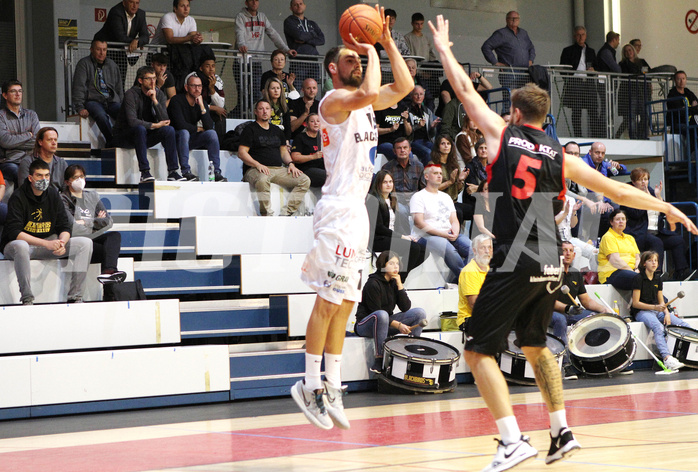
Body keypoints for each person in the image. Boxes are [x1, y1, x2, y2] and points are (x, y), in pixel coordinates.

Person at [430, 14, 697, 470]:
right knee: (535, 346)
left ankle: (512, 440)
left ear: (515, 114)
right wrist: (667, 207)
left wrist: (442, 49)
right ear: (543, 117)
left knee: (476, 351)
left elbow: (465, 91)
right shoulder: (561, 154)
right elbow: (617, 191)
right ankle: (561, 431)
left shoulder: (502, 135)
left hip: (517, 256)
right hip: (554, 260)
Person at [292, 6, 413, 431]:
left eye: (359, 58)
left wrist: (385, 40)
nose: (357, 61)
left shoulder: (365, 101)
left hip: (358, 211)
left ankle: (334, 384)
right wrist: (370, 44)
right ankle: (308, 384)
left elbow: (407, 85)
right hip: (337, 208)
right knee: (327, 302)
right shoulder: (334, 101)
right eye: (349, 57)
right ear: (332, 67)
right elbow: (367, 91)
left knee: (345, 304)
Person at [1, 160, 93, 305]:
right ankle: (27, 298)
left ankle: (75, 296)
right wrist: (47, 243)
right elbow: (14, 232)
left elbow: (65, 226)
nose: (43, 179)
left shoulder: (53, 195)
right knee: (21, 245)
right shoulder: (18, 196)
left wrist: (62, 242)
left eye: (47, 175)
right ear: (30, 178)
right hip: (21, 247)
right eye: (39, 176)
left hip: (48, 244)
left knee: (85, 243)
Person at [354, 250, 427, 373]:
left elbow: (405, 307)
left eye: (397, 264)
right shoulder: (373, 283)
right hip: (365, 325)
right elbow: (376, 311)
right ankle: (379, 359)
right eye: (392, 263)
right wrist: (398, 325)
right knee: (382, 314)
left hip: (385, 323)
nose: (396, 267)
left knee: (419, 313)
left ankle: (414, 356)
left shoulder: (393, 282)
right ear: (383, 265)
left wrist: (399, 284)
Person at [238, 99, 310, 216]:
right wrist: (257, 164)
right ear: (256, 112)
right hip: (254, 169)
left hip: (277, 169)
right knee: (262, 179)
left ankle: (286, 213)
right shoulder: (250, 129)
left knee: (304, 180)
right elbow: (242, 153)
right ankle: (266, 214)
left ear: (271, 111)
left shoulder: (277, 130)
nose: (264, 112)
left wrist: (291, 164)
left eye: (267, 109)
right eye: (261, 109)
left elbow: (283, 152)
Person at [112, 66, 181, 183]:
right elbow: (132, 122)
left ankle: (173, 171)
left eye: (154, 78)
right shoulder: (131, 94)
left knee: (169, 131)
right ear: (140, 81)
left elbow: (165, 120)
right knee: (140, 129)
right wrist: (155, 125)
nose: (153, 81)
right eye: (149, 79)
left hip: (145, 136)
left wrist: (154, 100)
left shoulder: (159, 94)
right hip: (125, 136)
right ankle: (145, 172)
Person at [549, 241, 607, 380]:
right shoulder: (550, 272)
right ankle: (566, 364)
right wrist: (567, 308)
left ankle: (591, 360)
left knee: (596, 317)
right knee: (560, 319)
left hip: (572, 312)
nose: (568, 253)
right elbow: (548, 300)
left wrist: (603, 309)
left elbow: (586, 301)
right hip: (550, 312)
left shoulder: (575, 274)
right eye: (564, 250)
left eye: (570, 250)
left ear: (574, 254)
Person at [61, 164, 126, 284]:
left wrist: (85, 222)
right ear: (67, 182)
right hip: (76, 242)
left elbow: (108, 221)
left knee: (114, 236)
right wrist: (96, 221)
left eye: (82, 176)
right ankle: (110, 279)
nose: (80, 180)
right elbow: (73, 227)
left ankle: (109, 272)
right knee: (108, 251)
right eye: (75, 178)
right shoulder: (63, 199)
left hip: (92, 238)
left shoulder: (92, 196)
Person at [621, 168, 689, 280]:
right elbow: (636, 214)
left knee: (678, 240)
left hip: (657, 232)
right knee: (656, 242)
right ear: (633, 182)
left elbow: (664, 212)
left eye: (646, 179)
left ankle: (681, 272)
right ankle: (657, 273)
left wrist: (658, 198)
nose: (643, 182)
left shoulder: (651, 192)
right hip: (639, 233)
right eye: (640, 180)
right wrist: (647, 200)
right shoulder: (627, 195)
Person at [631, 250, 691, 371]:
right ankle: (667, 358)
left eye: (656, 261)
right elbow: (636, 303)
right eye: (650, 260)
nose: (654, 263)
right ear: (644, 263)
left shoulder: (658, 279)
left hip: (657, 310)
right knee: (658, 327)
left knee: (683, 324)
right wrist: (655, 307)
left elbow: (661, 301)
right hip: (642, 312)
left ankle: (690, 355)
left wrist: (667, 313)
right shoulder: (638, 279)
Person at [410, 164, 471, 282]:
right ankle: (467, 280)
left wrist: (455, 231)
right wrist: (443, 234)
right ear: (426, 176)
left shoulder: (446, 197)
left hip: (448, 233)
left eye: (440, 174)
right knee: (449, 249)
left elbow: (454, 219)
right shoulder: (418, 197)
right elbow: (419, 223)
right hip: (426, 236)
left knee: (474, 249)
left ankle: (456, 280)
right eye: (435, 173)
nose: (439, 176)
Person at [366, 170, 426, 282]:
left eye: (390, 181)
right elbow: (379, 227)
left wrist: (407, 236)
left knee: (424, 250)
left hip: (390, 237)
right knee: (413, 248)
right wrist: (401, 237)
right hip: (378, 239)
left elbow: (396, 225)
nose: (389, 185)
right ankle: (399, 281)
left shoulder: (392, 200)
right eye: (385, 182)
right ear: (378, 184)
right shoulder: (373, 200)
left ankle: (396, 277)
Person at [168, 73, 227, 182]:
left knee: (212, 134)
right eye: (194, 86)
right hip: (175, 139)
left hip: (190, 139)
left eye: (199, 86)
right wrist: (198, 129)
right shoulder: (177, 100)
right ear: (186, 87)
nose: (197, 89)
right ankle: (186, 172)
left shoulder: (201, 102)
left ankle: (216, 173)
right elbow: (180, 125)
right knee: (184, 132)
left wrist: (201, 107)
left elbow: (209, 127)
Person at [72, 40, 124, 147]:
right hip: (93, 101)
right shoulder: (84, 64)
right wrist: (80, 107)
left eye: (104, 50)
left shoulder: (112, 65)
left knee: (124, 114)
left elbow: (119, 88)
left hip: (111, 100)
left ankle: (123, 139)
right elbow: (79, 87)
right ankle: (112, 141)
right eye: (98, 49)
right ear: (91, 50)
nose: (102, 53)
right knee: (101, 116)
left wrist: (124, 105)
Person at [481, 11, 535, 109]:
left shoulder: (523, 33)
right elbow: (486, 47)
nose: (514, 20)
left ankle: (520, 123)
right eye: (512, 18)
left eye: (516, 18)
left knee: (523, 101)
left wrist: (531, 60)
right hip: (509, 72)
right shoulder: (501, 33)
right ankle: (508, 122)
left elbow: (531, 48)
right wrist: (495, 62)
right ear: (506, 20)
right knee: (509, 101)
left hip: (525, 72)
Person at [93, 0, 150, 87]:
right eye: (131, 2)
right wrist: (134, 42)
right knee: (104, 80)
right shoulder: (116, 11)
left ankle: (119, 99)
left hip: (121, 50)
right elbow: (120, 37)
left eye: (137, 3)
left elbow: (145, 36)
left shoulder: (141, 14)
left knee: (120, 81)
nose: (134, 6)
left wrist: (137, 41)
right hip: (106, 49)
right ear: (124, 3)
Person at [559, 26, 598, 138]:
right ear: (575, 36)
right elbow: (562, 68)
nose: (581, 37)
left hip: (589, 82)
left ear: (586, 36)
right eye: (578, 35)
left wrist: (593, 70)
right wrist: (568, 80)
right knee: (576, 110)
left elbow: (597, 65)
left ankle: (595, 136)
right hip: (575, 82)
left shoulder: (591, 51)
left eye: (583, 34)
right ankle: (578, 136)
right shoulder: (568, 50)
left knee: (593, 109)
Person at [0, 80, 40, 186]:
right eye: (13, 91)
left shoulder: (31, 115)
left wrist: (15, 142)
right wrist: (28, 135)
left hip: (31, 159)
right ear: (5, 95)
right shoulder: (1, 116)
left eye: (20, 91)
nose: (18, 94)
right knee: (21, 174)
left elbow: (37, 140)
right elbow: (5, 141)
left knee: (44, 172)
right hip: (10, 161)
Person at [597, 208, 640, 291]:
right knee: (639, 279)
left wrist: (636, 269)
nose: (621, 221)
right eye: (617, 219)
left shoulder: (630, 238)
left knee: (651, 279)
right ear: (611, 222)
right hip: (612, 273)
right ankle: (661, 302)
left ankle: (662, 302)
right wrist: (632, 272)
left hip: (630, 272)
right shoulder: (608, 237)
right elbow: (615, 261)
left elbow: (637, 257)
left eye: (623, 219)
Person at [457, 234, 492, 332]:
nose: (487, 251)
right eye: (482, 248)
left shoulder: (492, 269)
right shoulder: (469, 271)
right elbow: (474, 304)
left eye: (489, 247)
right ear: (475, 251)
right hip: (470, 318)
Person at [430, 134, 468, 225]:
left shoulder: (454, 164)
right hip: (439, 203)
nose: (446, 146)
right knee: (458, 212)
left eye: (448, 143)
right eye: (443, 143)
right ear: (438, 146)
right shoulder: (433, 164)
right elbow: (432, 189)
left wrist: (460, 181)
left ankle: (476, 238)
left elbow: (457, 190)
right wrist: (450, 182)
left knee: (477, 210)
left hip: (453, 201)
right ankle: (455, 237)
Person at [283, 0, 325, 82]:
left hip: (313, 61)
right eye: (295, 5)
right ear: (291, 8)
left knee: (312, 90)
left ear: (305, 6)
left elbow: (322, 39)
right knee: (296, 90)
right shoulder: (289, 21)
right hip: (298, 61)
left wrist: (305, 40)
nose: (299, 6)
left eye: (300, 4)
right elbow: (299, 36)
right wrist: (313, 34)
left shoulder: (312, 23)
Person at [381, 137, 425, 211]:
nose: (402, 150)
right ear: (394, 151)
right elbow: (384, 190)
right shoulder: (387, 168)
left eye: (405, 147)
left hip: (415, 201)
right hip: (396, 202)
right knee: (402, 211)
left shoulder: (418, 166)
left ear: (409, 150)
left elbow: (423, 188)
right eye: (399, 148)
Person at [617, 43, 649, 139]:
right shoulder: (622, 64)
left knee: (645, 116)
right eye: (626, 51)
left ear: (633, 51)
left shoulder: (642, 61)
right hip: (630, 93)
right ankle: (634, 137)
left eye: (630, 50)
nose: (628, 52)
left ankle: (642, 136)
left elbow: (649, 72)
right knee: (631, 117)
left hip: (642, 92)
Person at [290, 112, 325, 187]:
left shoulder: (323, 138)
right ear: (306, 124)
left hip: (321, 167)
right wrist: (313, 157)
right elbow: (295, 157)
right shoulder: (300, 138)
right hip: (306, 169)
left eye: (318, 121)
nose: (316, 123)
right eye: (312, 121)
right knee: (329, 176)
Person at [407, 85, 439, 166]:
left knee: (439, 150)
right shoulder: (407, 110)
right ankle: (426, 176)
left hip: (426, 141)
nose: (419, 97)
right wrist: (418, 126)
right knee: (428, 152)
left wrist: (432, 127)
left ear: (424, 96)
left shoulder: (427, 111)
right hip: (412, 141)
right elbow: (406, 132)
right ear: (411, 96)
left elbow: (431, 135)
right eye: (416, 94)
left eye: (421, 94)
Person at [262, 77, 293, 141]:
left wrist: (286, 141)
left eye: (278, 88)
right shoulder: (262, 104)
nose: (276, 91)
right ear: (268, 90)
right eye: (273, 88)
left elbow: (287, 127)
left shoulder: (284, 105)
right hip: (267, 138)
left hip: (282, 138)